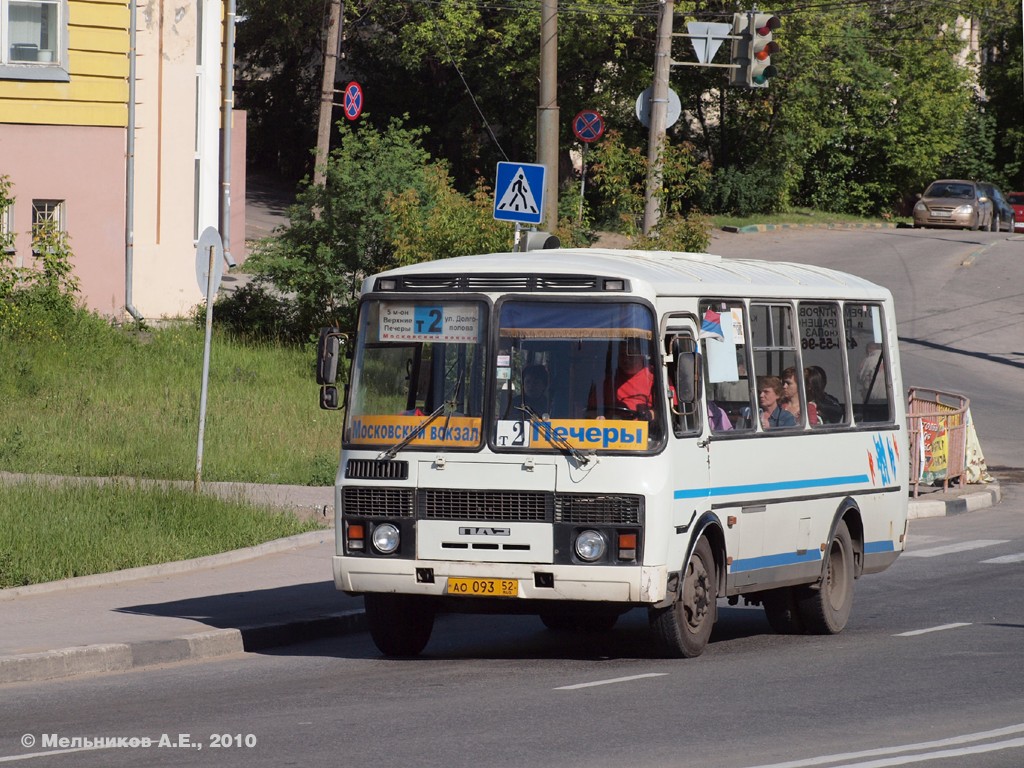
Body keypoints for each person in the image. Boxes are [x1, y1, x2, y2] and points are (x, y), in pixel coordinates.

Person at [588, 341, 655, 420]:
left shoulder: (654, 377)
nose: (626, 360)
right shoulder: (608, 381)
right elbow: (591, 410)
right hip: (612, 429)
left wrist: (649, 415)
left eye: (630, 355)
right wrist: (599, 417)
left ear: (642, 355)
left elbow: (667, 411)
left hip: (645, 429)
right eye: (622, 355)